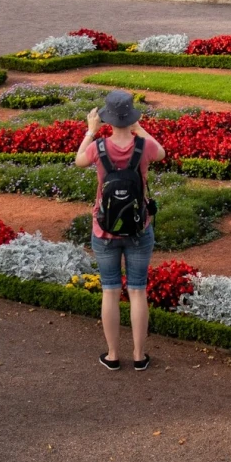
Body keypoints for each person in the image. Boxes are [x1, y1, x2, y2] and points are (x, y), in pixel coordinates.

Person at [75, 89, 165, 371]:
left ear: (108, 119)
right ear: (131, 117)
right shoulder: (144, 146)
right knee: (138, 291)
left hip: (104, 229)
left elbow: (79, 160)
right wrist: (140, 129)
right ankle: (139, 355)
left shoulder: (98, 148)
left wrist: (91, 131)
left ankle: (113, 355)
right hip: (138, 228)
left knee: (110, 291)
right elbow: (161, 152)